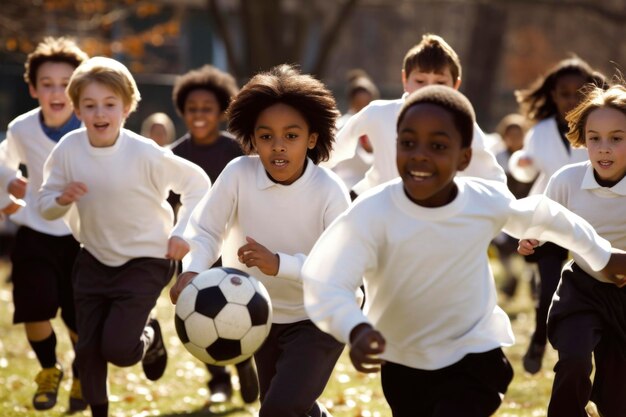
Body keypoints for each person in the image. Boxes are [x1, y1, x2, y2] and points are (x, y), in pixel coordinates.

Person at [301, 85, 626, 417]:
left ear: (464, 157)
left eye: (438, 145)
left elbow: (547, 216)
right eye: (408, 143)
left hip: (475, 353)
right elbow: (325, 277)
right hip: (403, 358)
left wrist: (603, 255)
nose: (420, 155)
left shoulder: (482, 201)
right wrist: (353, 326)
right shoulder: (372, 211)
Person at [170, 64, 350, 417]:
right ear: (252, 138)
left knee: (277, 410)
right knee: (285, 407)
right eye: (266, 136)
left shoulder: (330, 192)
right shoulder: (238, 174)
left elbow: (342, 269)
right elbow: (206, 229)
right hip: (257, 315)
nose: (278, 146)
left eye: (291, 136)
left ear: (312, 138)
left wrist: (280, 264)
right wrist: (192, 271)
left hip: (321, 317)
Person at [37, 56, 210, 417]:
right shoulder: (68, 150)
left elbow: (197, 184)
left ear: (127, 107)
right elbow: (44, 204)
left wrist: (182, 233)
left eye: (109, 104)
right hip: (94, 259)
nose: (100, 113)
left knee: (117, 348)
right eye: (90, 105)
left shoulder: (145, 153)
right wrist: (60, 199)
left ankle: (148, 337)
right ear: (77, 109)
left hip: (146, 260)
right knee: (88, 350)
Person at [518, 83, 626, 417]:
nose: (603, 149)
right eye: (594, 138)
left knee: (616, 400)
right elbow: (542, 222)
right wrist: (531, 238)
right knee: (574, 362)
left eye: (617, 138)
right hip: (581, 288)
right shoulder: (566, 180)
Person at [0, 36, 88, 412]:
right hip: (35, 231)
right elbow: (3, 159)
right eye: (47, 84)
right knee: (34, 308)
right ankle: (49, 370)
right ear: (33, 88)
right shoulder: (22, 128)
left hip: (81, 236)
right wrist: (8, 187)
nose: (57, 93)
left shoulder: (91, 127)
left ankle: (83, 371)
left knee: (76, 315)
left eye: (66, 85)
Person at [508, 56, 607, 374]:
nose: (571, 99)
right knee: (548, 286)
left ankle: (594, 347)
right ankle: (539, 337)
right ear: (552, 95)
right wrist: (521, 164)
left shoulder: (602, 125)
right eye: (564, 93)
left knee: (594, 288)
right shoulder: (541, 131)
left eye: (580, 92)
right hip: (548, 216)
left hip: (590, 219)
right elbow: (528, 167)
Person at [168, 64, 259, 404]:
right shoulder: (175, 155)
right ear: (183, 111)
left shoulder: (236, 151)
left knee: (236, 309)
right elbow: (167, 205)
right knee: (201, 314)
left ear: (220, 112)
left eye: (207, 109)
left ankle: (245, 363)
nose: (199, 115)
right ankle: (218, 381)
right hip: (194, 246)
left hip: (232, 245)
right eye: (192, 109)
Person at [325, 33, 505, 200]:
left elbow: (491, 180)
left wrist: (520, 226)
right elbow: (331, 152)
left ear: (455, 85)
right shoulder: (379, 113)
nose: (428, 89)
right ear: (405, 79)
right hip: (377, 209)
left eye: (440, 82)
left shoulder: (462, 123)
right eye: (420, 81)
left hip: (434, 215)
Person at [492, 113, 533, 299]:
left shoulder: (531, 157)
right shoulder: (498, 157)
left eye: (519, 134)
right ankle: (511, 280)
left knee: (530, 249)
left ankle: (533, 282)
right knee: (503, 248)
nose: (515, 139)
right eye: (511, 135)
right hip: (507, 210)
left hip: (528, 209)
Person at [332, 69, 379, 189]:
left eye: (367, 103)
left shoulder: (379, 126)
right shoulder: (341, 126)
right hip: (346, 187)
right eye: (359, 103)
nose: (363, 108)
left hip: (373, 188)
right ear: (351, 102)